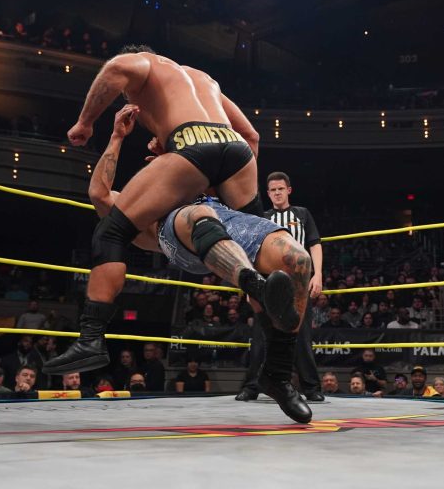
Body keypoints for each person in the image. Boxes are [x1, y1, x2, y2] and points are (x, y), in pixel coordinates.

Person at [46, 45, 293, 384]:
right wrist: (213, 176)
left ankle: (90, 339)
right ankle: (277, 362)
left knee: (110, 231)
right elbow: (251, 135)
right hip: (235, 153)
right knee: (260, 253)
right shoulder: (203, 79)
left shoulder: (145, 64)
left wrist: (85, 123)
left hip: (193, 154)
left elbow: (116, 68)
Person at [71, 108, 313, 422]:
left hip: (225, 220)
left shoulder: (206, 183)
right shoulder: (139, 207)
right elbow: (99, 194)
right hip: (178, 234)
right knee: (199, 215)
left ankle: (277, 374)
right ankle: (256, 285)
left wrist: (182, 155)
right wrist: (117, 136)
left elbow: (246, 148)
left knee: (298, 259)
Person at [237, 171, 325, 402]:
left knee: (302, 337)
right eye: (273, 190)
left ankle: (311, 388)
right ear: (268, 194)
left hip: (298, 283)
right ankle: (251, 387)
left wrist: (317, 275)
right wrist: (250, 285)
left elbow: (314, 244)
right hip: (267, 283)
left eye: (280, 189)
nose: (277, 193)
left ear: (289, 190)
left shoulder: (302, 214)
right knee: (260, 336)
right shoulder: (262, 218)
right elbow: (251, 251)